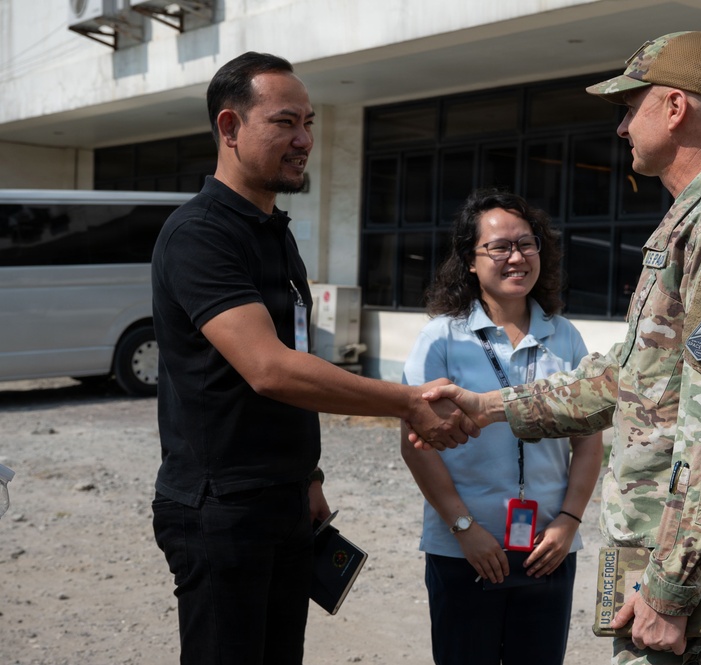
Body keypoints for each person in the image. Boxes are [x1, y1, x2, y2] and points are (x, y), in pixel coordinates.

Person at [416, 32, 701, 665]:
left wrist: (670, 590)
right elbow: (636, 377)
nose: (620, 127)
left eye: (629, 106)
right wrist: (490, 406)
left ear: (674, 109)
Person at [150, 51, 476, 665]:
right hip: (221, 509)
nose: (304, 140)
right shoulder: (200, 235)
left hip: (281, 502)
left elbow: (297, 361)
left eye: (309, 123)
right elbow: (269, 368)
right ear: (229, 127)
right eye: (284, 122)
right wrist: (408, 400)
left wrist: (308, 476)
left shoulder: (275, 231)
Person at [400, 189, 604, 665]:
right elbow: (417, 445)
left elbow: (589, 441)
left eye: (527, 243)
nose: (516, 257)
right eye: (499, 246)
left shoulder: (564, 335)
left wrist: (568, 523)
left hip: (546, 548)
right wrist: (463, 526)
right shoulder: (441, 338)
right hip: (464, 549)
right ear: (470, 261)